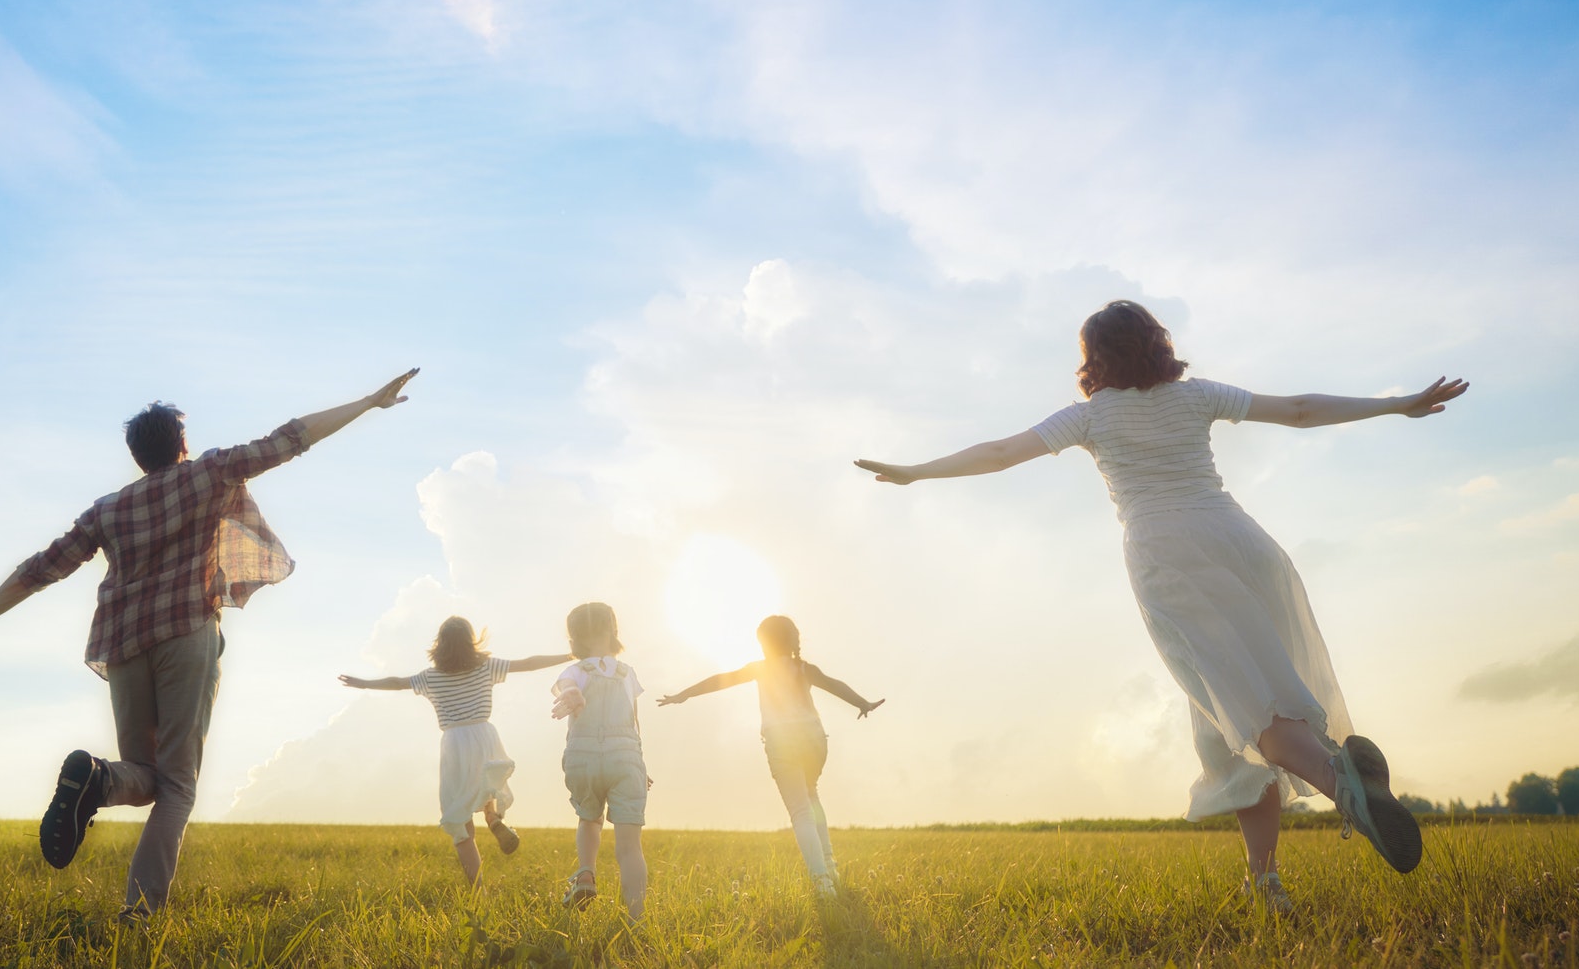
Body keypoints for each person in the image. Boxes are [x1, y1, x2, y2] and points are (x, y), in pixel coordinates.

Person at [855, 301, 1467, 913]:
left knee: (1253, 712)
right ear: (1156, 343)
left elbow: (997, 454)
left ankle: (1346, 787)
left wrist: (917, 473)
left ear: (1093, 358)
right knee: (1228, 724)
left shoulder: (1089, 418)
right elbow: (1300, 410)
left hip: (1166, 556)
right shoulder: (1197, 396)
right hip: (1242, 542)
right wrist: (1395, 404)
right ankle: (1267, 885)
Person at [0, 369, 420, 920]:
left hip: (124, 643)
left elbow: (40, 570)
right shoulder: (208, 472)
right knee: (178, 784)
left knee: (143, 772)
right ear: (181, 444)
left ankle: (99, 780)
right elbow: (291, 437)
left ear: (136, 456)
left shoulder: (106, 510)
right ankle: (140, 911)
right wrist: (369, 402)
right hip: (187, 635)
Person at [657, 615, 882, 895]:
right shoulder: (803, 667)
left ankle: (823, 883)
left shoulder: (759, 669)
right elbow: (833, 684)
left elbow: (720, 681)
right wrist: (862, 702)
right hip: (813, 739)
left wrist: (684, 694)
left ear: (762, 643)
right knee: (811, 796)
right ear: (793, 641)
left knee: (800, 811)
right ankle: (830, 868)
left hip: (782, 741)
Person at [337, 617, 572, 884]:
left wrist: (365, 683)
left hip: (455, 742)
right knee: (486, 779)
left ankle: (478, 890)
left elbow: (397, 682)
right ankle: (493, 818)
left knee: (459, 816)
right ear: (472, 642)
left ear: (440, 645)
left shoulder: (430, 678)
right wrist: (568, 655)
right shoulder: (486, 667)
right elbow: (529, 663)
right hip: (485, 736)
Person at [550, 602, 649, 919]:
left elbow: (566, 685)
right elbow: (634, 722)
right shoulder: (627, 673)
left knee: (589, 818)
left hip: (584, 756)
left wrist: (572, 694)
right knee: (630, 847)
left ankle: (586, 873)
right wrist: (638, 762)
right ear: (613, 631)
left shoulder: (575, 671)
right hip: (625, 754)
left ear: (573, 640)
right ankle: (636, 920)